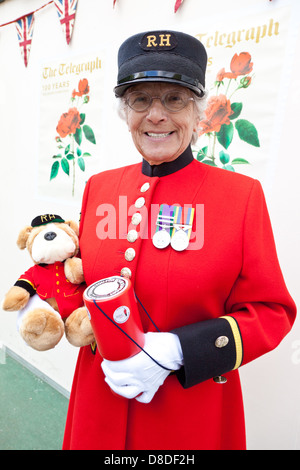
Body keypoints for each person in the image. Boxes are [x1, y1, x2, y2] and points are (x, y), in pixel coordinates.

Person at [61, 30, 296, 450]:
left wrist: (177, 349)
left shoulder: (241, 197)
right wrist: (44, 296)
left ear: (199, 111)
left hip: (189, 414)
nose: (156, 115)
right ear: (124, 111)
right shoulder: (99, 187)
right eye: (140, 99)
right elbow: (83, 280)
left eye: (175, 98)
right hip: (98, 403)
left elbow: (272, 311)